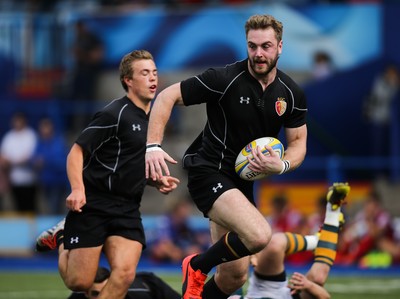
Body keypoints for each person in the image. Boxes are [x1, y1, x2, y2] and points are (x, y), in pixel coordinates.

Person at [145, 14, 308, 299]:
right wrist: (153, 145)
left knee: (234, 277)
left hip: (241, 183)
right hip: (208, 171)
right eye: (252, 46)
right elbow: (167, 96)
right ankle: (196, 266)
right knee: (258, 235)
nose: (258, 53)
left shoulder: (291, 93)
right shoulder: (224, 78)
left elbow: (297, 144)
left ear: (280, 47)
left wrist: (281, 165)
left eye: (266, 46)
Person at [35, 50, 179, 299]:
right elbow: (76, 153)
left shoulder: (154, 120)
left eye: (154, 72)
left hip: (128, 208)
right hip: (96, 204)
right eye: (144, 73)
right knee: (79, 282)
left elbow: (128, 164)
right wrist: (78, 189)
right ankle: (61, 236)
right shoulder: (114, 113)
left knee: (124, 275)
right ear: (128, 81)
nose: (152, 78)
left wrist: (155, 181)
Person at [229, 182, 350, 299]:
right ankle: (332, 214)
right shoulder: (284, 217)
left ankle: (318, 240)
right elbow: (325, 297)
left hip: (264, 288)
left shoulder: (289, 216)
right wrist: (308, 285)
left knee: (275, 244)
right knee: (318, 278)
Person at [148, 196, 211, 263]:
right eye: (184, 208)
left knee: (194, 251)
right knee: (160, 250)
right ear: (176, 210)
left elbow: (192, 240)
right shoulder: (164, 221)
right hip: (157, 248)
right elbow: (164, 242)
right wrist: (174, 252)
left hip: (178, 249)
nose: (187, 212)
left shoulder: (184, 224)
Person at [0, 112, 38, 213]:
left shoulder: (30, 135)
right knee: (18, 208)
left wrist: (13, 161)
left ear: (24, 121)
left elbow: (30, 156)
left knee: (30, 207)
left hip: (29, 179)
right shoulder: (9, 137)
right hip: (14, 179)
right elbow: (3, 156)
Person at [68, 267, 180, 299]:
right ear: (86, 293)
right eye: (96, 294)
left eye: (108, 292)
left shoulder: (139, 293)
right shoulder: (78, 296)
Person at [33, 117, 69, 214]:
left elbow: (62, 161)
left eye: (45, 127)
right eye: (41, 127)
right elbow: (34, 158)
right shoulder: (40, 143)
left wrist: (45, 161)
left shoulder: (58, 142)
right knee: (49, 208)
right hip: (45, 182)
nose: (43, 130)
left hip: (58, 182)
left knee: (55, 208)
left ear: (51, 127)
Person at [362, 64, 399, 159]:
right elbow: (381, 97)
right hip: (378, 120)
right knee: (378, 147)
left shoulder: (394, 83)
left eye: (394, 73)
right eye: (390, 73)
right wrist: (393, 85)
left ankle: (386, 171)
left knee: (389, 147)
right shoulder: (380, 82)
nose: (392, 75)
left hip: (389, 121)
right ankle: (378, 172)